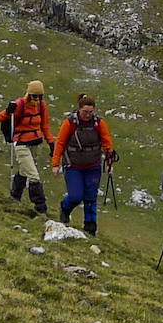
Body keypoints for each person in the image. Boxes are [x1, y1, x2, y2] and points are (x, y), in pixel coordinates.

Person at [52, 94, 116, 236]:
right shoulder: (69, 123)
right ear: (79, 109)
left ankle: (90, 227)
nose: (88, 115)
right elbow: (60, 143)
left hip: (93, 166)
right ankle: (65, 208)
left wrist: (110, 165)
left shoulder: (99, 124)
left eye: (90, 112)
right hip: (73, 165)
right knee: (76, 196)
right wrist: (55, 164)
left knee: (90, 197)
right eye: (85, 112)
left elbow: (107, 144)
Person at [0, 80, 54, 216]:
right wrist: (7, 111)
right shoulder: (19, 104)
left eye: (40, 96)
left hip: (36, 143)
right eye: (35, 96)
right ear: (29, 94)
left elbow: (44, 125)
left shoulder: (42, 106)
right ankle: (40, 208)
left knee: (24, 171)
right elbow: (0, 118)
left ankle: (15, 196)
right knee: (34, 175)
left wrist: (51, 143)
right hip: (21, 143)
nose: (37, 99)